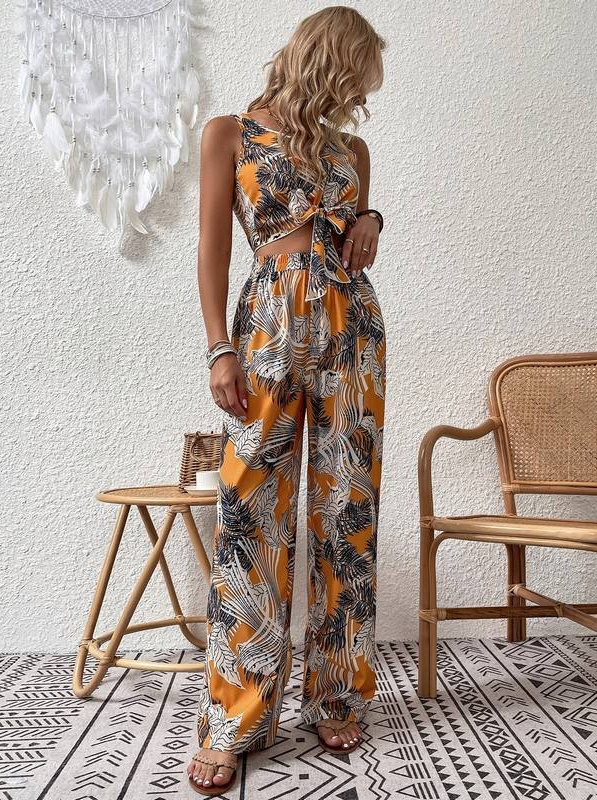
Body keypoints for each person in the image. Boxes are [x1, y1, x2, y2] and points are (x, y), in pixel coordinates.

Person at [188, 5, 387, 795]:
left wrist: (370, 217)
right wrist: (218, 347)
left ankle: (335, 694)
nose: (360, 95)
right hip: (267, 324)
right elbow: (212, 246)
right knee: (250, 518)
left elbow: (350, 236)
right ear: (328, 61)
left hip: (352, 328)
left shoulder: (352, 150)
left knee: (346, 514)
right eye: (355, 77)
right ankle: (235, 718)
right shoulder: (229, 134)